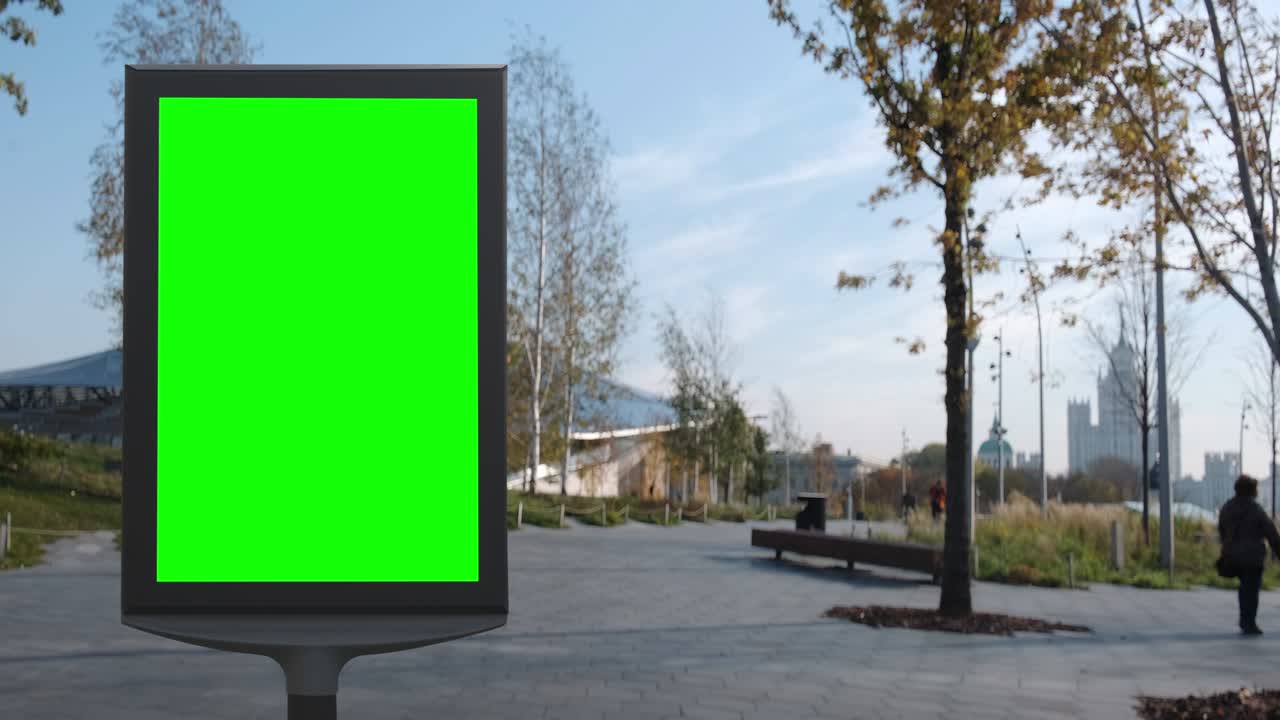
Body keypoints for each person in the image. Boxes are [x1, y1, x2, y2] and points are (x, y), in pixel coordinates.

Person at [1218, 474, 1280, 636]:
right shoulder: (1256, 509)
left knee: (1244, 588)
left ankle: (1244, 619)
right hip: (1252, 557)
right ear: (1253, 490)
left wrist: (1227, 548)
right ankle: (1248, 622)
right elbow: (1271, 533)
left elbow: (1222, 531)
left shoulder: (1227, 507)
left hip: (1232, 555)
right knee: (1251, 589)